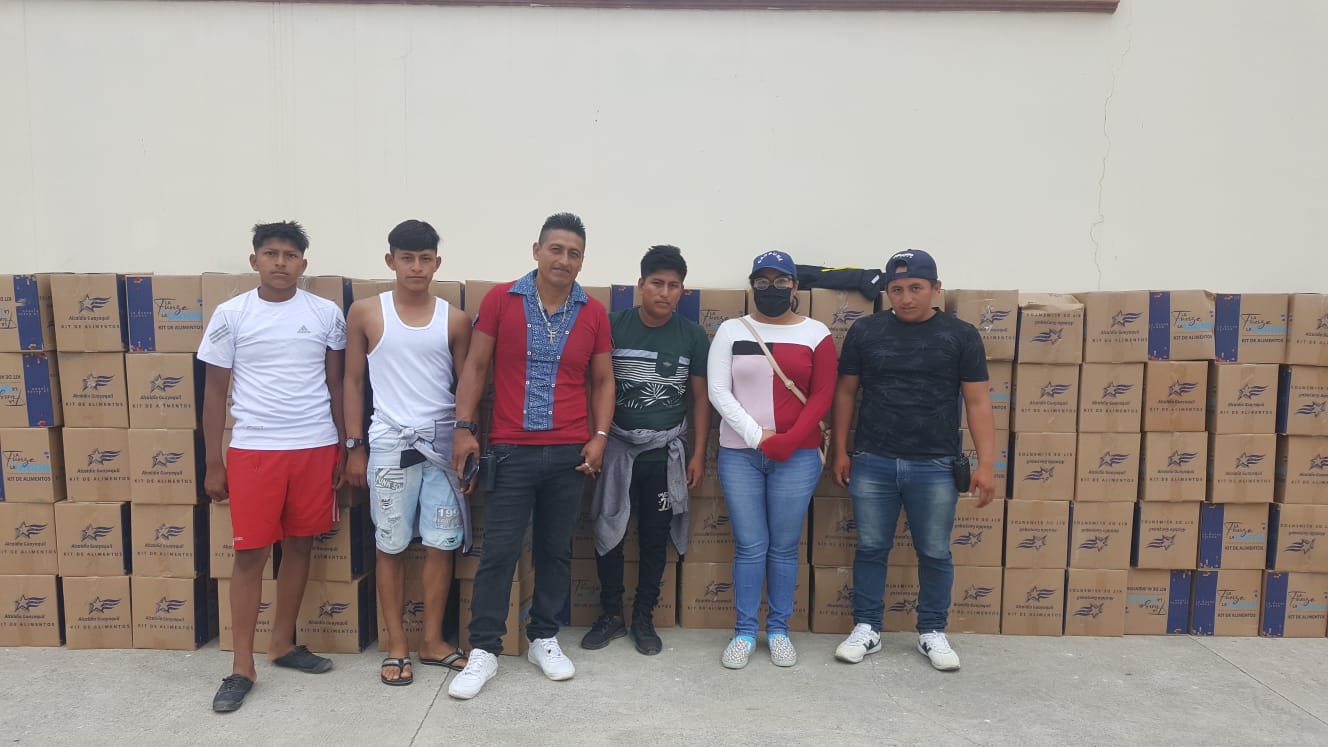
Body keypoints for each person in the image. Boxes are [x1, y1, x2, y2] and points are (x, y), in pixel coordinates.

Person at [447, 212, 614, 700]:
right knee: (499, 552)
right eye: (556, 249)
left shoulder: (593, 312)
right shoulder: (502, 300)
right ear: (537, 250)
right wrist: (464, 429)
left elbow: (603, 380)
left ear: (582, 261)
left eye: (574, 253)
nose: (564, 260)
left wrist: (600, 436)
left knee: (555, 551)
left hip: (569, 453)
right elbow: (476, 366)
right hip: (511, 450)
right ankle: (484, 649)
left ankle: (544, 638)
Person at [199, 221, 347, 713]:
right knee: (250, 555)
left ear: (303, 263)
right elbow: (214, 392)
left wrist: (344, 447)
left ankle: (282, 643)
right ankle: (242, 665)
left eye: (289, 254)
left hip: (315, 445)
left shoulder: (325, 314)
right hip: (255, 450)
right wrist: (213, 461)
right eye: (270, 253)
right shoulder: (231, 314)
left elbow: (335, 385)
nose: (280, 262)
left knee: (301, 544)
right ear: (255, 261)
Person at [830, 248, 996, 672]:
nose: (906, 298)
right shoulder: (866, 331)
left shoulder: (960, 336)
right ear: (887, 291)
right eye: (897, 289)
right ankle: (867, 628)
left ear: (936, 289)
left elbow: (978, 402)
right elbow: (845, 392)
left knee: (935, 551)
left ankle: (932, 631)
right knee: (871, 548)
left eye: (916, 288)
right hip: (873, 460)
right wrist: (841, 450)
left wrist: (986, 465)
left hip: (935, 463)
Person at [343, 219, 471, 687]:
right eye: (407, 258)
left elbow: (467, 387)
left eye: (425, 259)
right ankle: (396, 644)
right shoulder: (365, 313)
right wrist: (354, 446)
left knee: (441, 542)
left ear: (437, 263)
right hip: (389, 442)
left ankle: (432, 640)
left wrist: (467, 440)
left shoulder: (454, 320)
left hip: (441, 445)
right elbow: (352, 382)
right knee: (391, 543)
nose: (416, 267)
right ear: (390, 260)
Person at [707, 250, 835, 669]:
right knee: (750, 546)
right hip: (740, 455)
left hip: (797, 457)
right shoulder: (731, 330)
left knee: (783, 547)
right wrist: (759, 437)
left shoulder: (816, 332)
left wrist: (791, 440)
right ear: (752, 286)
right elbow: (718, 391)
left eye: (781, 281)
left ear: (795, 285)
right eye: (762, 281)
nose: (772, 289)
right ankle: (745, 632)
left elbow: (823, 394)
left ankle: (778, 630)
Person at [581, 245, 710, 656]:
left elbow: (700, 400)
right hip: (615, 450)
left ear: (682, 290)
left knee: (655, 538)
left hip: (663, 454)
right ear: (640, 285)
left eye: (673, 285)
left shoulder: (692, 335)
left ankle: (643, 618)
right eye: (657, 283)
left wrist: (697, 454)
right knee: (609, 533)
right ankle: (611, 615)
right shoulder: (612, 325)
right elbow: (593, 385)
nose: (665, 292)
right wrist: (595, 439)